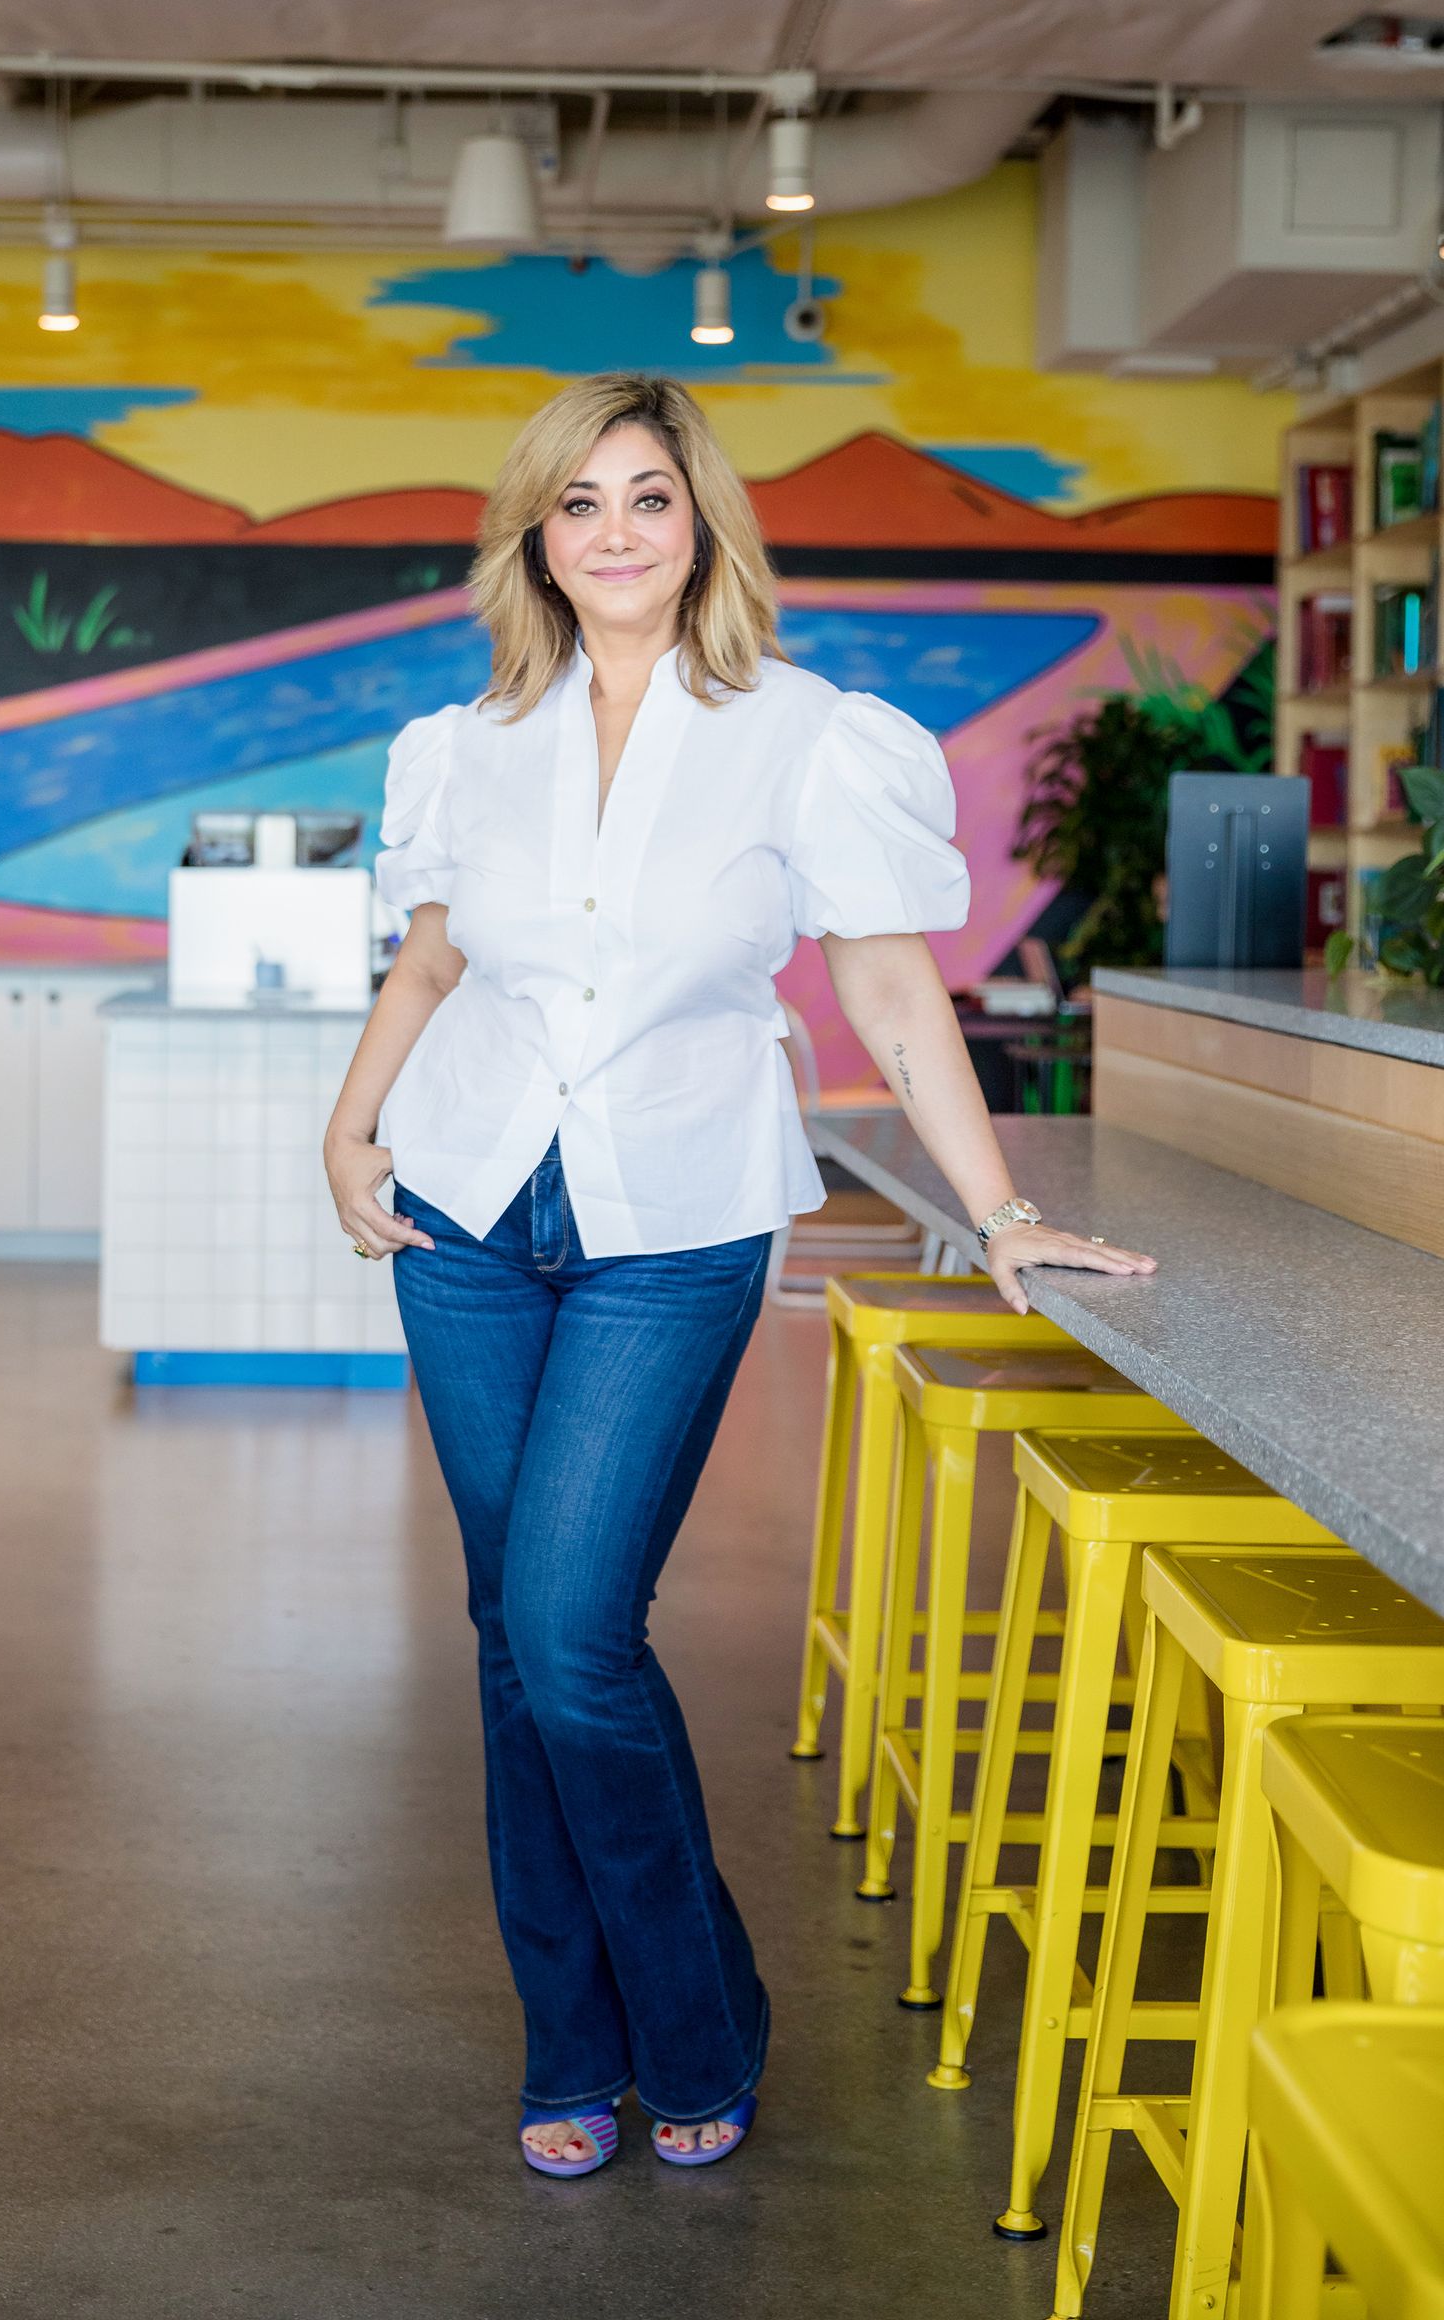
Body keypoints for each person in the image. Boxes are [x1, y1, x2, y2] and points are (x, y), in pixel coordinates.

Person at [321, 372, 1153, 2180]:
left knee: (571, 1631)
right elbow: (434, 960)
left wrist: (999, 1209)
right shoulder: (470, 743)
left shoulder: (809, 734)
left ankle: (700, 2024)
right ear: (537, 537)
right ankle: (572, 2046)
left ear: (701, 524)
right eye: (579, 503)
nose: (615, 532)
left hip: (674, 1223)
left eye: (649, 497)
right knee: (509, 1641)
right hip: (464, 1214)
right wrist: (348, 1124)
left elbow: (888, 984)